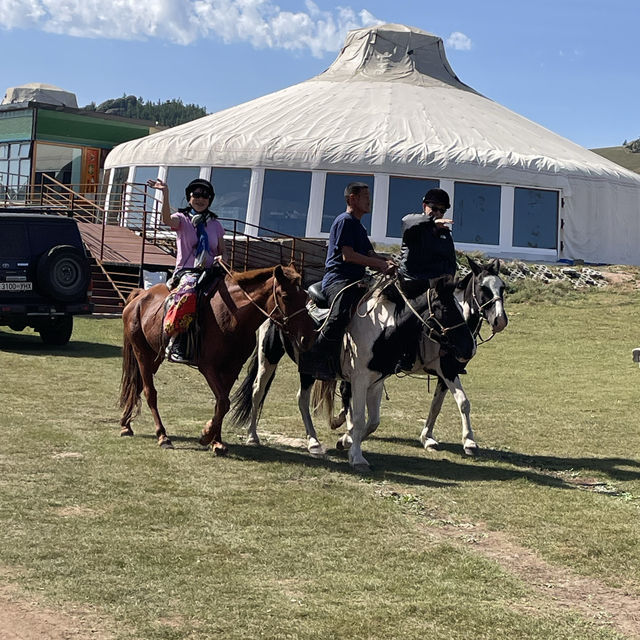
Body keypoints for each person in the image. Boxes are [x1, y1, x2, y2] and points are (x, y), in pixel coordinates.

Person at [301, 182, 395, 379]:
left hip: (357, 280)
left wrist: (387, 262)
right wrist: (379, 265)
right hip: (338, 280)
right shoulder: (344, 221)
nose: (369, 201)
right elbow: (348, 255)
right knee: (340, 314)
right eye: (365, 197)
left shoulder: (358, 227)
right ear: (352, 198)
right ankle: (315, 359)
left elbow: (370, 253)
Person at [148, 177, 227, 364]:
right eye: (196, 194)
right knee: (189, 293)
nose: (201, 199)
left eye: (205, 196)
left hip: (210, 270)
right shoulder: (182, 219)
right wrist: (165, 193)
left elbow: (222, 251)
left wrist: (223, 258)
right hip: (187, 271)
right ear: (189, 197)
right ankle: (178, 342)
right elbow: (166, 219)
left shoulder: (215, 224)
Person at [395, 187, 458, 371]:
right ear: (425, 206)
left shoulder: (445, 235)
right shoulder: (413, 226)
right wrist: (431, 222)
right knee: (410, 316)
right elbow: (406, 220)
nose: (438, 213)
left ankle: (452, 355)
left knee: (455, 314)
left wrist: (447, 281)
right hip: (411, 282)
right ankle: (405, 355)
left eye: (442, 210)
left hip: (433, 286)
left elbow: (450, 263)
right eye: (434, 208)